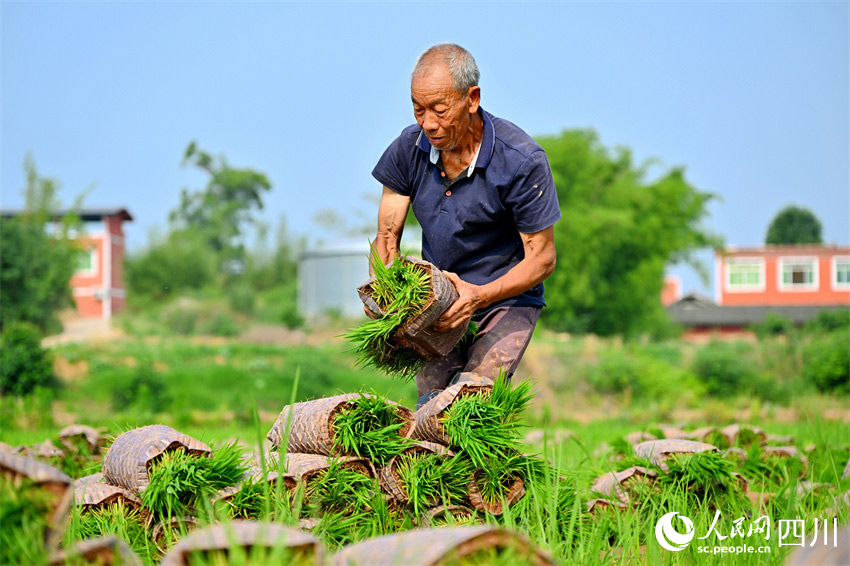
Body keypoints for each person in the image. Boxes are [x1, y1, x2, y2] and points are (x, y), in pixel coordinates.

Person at [371, 43, 560, 406]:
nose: (428, 123)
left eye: (439, 110)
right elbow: (386, 237)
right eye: (418, 110)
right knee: (432, 406)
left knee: (471, 401)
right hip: (440, 297)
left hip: (507, 296)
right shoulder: (408, 148)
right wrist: (383, 290)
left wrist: (478, 296)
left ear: (471, 98)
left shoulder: (521, 160)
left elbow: (543, 260)